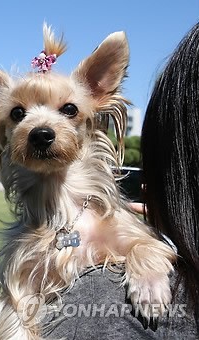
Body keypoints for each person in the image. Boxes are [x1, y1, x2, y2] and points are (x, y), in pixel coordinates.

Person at [44, 22, 199, 338]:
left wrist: (143, 254)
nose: (41, 128)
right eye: (18, 113)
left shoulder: (100, 314)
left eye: (69, 110)